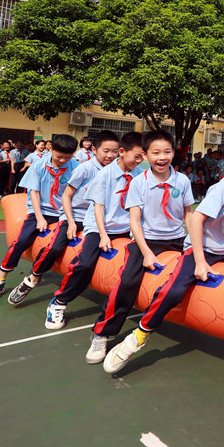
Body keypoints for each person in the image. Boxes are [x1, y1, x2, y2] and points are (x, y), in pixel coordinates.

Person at [102, 135, 224, 373]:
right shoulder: (222, 189)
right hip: (203, 249)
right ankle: (139, 335)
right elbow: (195, 220)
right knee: (173, 291)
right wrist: (199, 261)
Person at [76, 130, 193, 351]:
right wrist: (147, 252)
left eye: (167, 152)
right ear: (146, 155)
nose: (162, 157)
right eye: (155, 152)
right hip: (146, 240)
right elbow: (134, 221)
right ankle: (102, 333)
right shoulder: (139, 182)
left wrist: (195, 242)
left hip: (177, 238)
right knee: (127, 282)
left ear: (174, 153)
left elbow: (189, 214)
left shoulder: (183, 180)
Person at [45, 132, 145, 332]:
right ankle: (59, 301)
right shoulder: (104, 174)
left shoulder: (139, 174)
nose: (140, 160)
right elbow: (98, 207)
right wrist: (103, 235)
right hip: (100, 225)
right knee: (85, 264)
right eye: (137, 156)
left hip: (125, 226)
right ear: (124, 153)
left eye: (143, 156)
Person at [8, 131, 122, 306]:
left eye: (114, 152)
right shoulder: (84, 168)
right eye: (106, 151)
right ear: (94, 149)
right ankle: (33, 278)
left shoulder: (118, 170)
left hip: (100, 219)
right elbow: (66, 196)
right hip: (76, 214)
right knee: (55, 248)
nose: (110, 155)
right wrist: (69, 221)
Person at [0, 135, 80, 301]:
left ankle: (33, 278)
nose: (63, 160)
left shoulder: (76, 167)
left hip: (63, 213)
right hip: (40, 210)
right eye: (59, 156)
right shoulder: (39, 165)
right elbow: (34, 192)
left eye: (67, 157)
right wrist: (40, 218)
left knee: (57, 247)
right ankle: (0, 279)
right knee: (21, 241)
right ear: (51, 149)